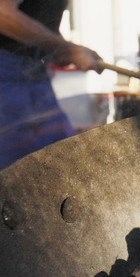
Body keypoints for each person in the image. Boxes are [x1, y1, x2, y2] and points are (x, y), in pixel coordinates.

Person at [0, 0, 102, 169]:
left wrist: (60, 48)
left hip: (33, 74)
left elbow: (37, 16)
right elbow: (3, 14)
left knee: (63, 158)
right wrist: (64, 47)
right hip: (7, 76)